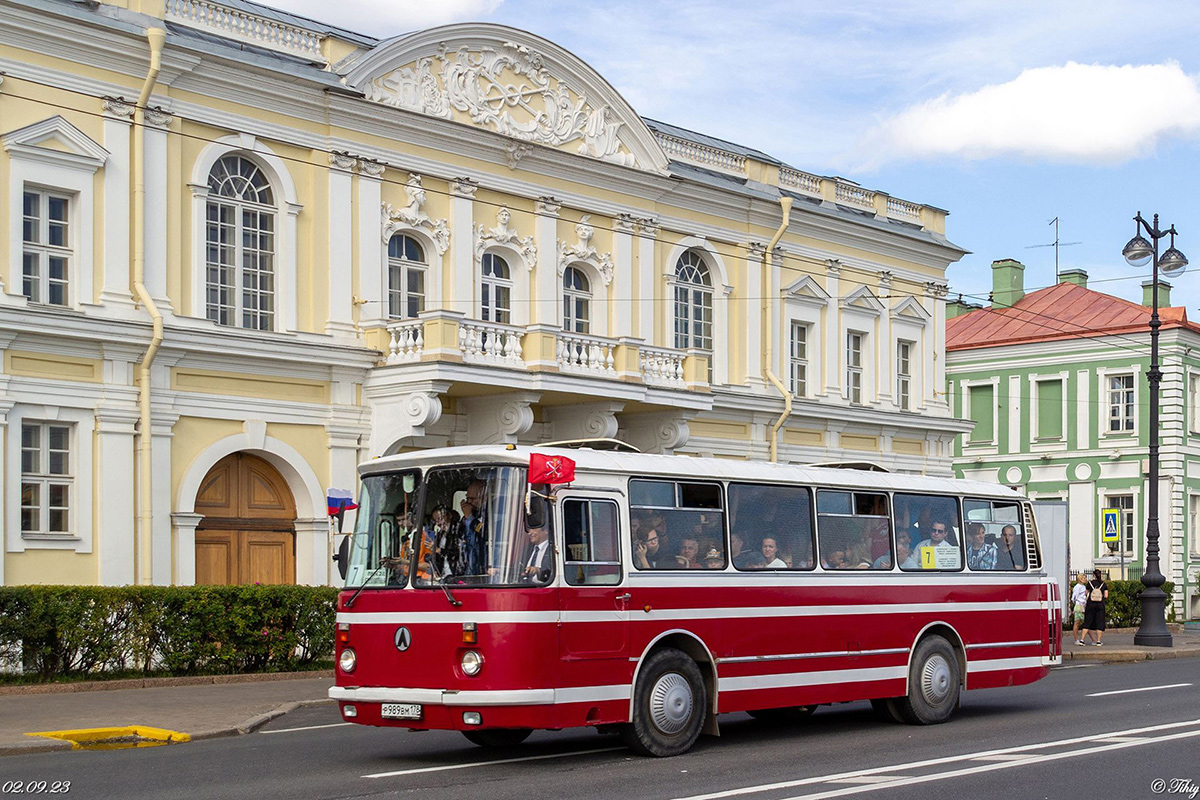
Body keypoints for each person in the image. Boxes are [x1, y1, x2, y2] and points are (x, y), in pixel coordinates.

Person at [1079, 569, 1108, 645]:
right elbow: (1106, 595)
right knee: (1099, 622)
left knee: (1087, 622)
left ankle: (1082, 640)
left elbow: (1086, 593)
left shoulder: (1090, 583)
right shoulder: (1104, 584)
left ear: (1093, 575)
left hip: (1090, 605)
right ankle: (1098, 641)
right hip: (1100, 605)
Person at [1070, 573, 1089, 645]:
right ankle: (1076, 639)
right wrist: (1077, 602)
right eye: (1083, 578)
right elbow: (1074, 597)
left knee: (1085, 622)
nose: (1085, 579)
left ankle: (1090, 639)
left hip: (1083, 605)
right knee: (1077, 623)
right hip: (1079, 605)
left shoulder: (1083, 587)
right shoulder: (1077, 587)